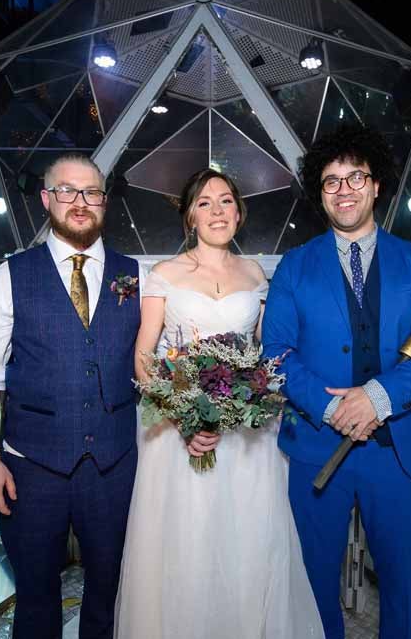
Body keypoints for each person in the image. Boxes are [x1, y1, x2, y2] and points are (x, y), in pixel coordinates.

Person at [262, 123, 411, 639]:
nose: (344, 190)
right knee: (313, 583)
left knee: (401, 582)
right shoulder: (295, 266)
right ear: (320, 194)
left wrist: (380, 396)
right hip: (316, 446)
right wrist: (333, 409)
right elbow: (276, 353)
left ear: (376, 186)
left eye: (356, 177)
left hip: (396, 452)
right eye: (331, 181)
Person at [114, 169, 324, 638]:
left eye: (226, 201)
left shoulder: (255, 273)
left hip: (247, 434)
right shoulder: (163, 275)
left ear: (239, 212)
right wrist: (185, 417)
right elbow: (145, 356)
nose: (217, 211)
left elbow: (262, 354)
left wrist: (247, 398)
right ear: (190, 214)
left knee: (247, 540)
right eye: (205, 203)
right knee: (187, 541)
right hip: (176, 434)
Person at [0, 153, 141, 639]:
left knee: (109, 591)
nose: (79, 203)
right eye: (66, 191)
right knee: (37, 598)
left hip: (114, 466)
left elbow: (154, 364)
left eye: (91, 192)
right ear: (47, 199)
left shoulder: (137, 277)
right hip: (31, 468)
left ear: (105, 201)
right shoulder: (8, 276)